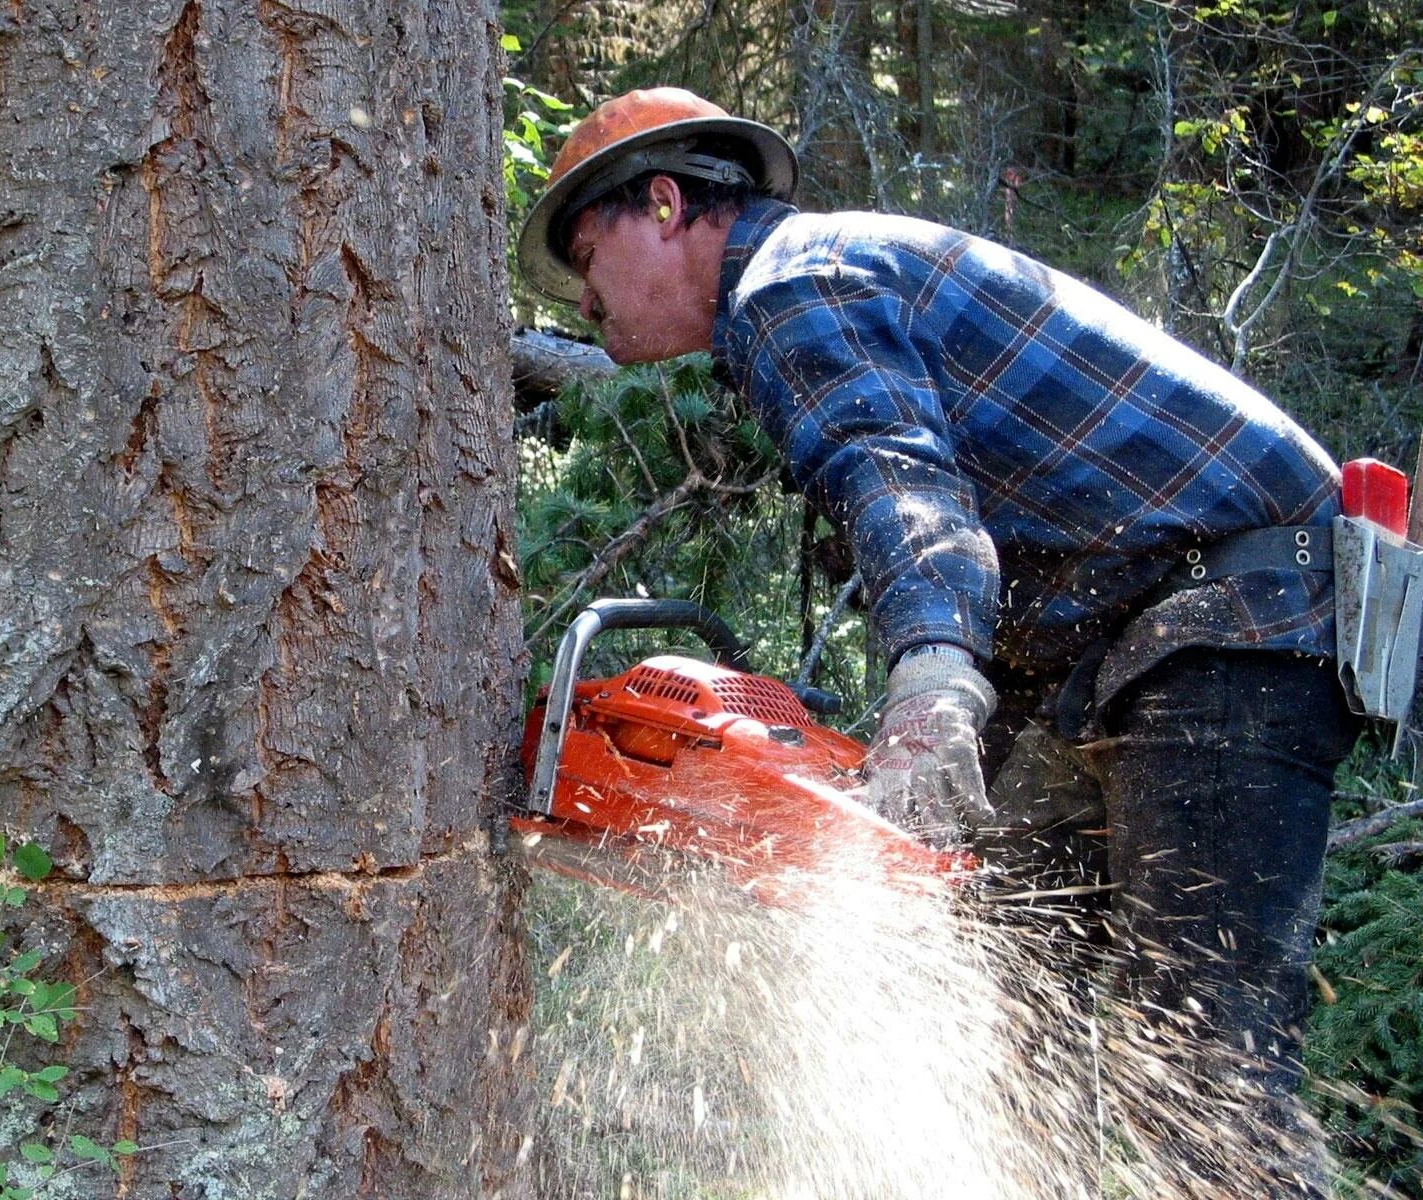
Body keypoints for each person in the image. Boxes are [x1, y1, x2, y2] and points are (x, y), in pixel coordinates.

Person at [517, 86, 1360, 1194]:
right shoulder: (821, 285)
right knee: (997, 981)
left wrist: (931, 699)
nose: (583, 300)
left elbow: (903, 488)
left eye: (587, 255)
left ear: (666, 205)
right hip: (1112, 646)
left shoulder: (790, 285)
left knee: (1206, 1063)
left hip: (1230, 624)